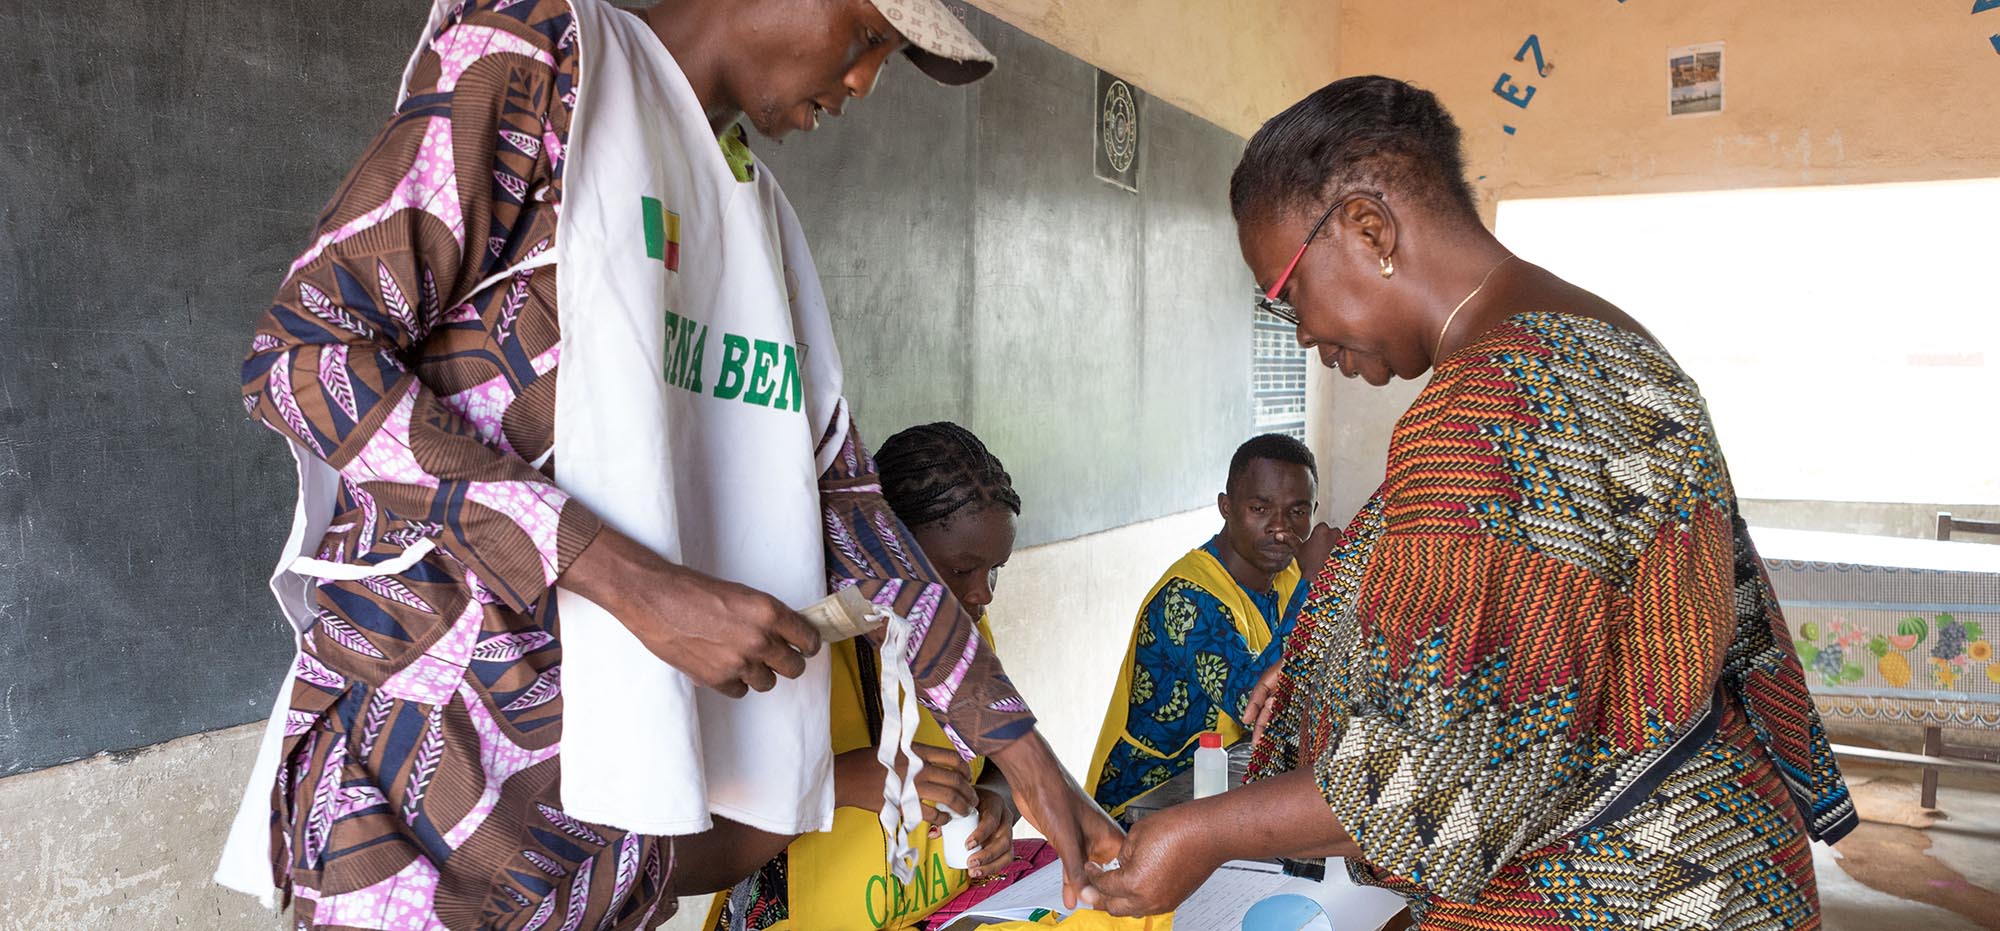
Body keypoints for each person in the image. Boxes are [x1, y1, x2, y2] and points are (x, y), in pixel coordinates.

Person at [218, 0, 1119, 926]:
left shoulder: (750, 209)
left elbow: (848, 510)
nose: (863, 81)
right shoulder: (542, 70)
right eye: (866, 38)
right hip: (428, 797)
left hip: (606, 831)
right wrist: (636, 585)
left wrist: (1030, 764)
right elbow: (305, 356)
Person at [1084, 76, 1856, 929]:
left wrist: (1203, 832)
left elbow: (1451, 768)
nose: (1297, 331)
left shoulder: (1482, 407)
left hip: (1627, 889)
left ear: (1368, 229)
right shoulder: (1608, 340)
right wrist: (1321, 666)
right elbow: (1580, 634)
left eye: (1287, 292)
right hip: (1734, 861)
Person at [708, 421, 1027, 930]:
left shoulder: (964, 633)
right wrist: (836, 783)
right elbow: (694, 856)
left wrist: (999, 806)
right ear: (883, 551)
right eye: (960, 570)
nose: (982, 595)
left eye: (994, 570)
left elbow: (1002, 758)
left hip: (935, 913)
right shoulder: (788, 650)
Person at [1084, 433, 1319, 818]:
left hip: (1224, 787)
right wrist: (1318, 581)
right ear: (1226, 507)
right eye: (1260, 509)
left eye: (1297, 512)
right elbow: (1255, 705)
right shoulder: (1185, 599)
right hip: (1142, 810)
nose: (1280, 528)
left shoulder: (1290, 572)